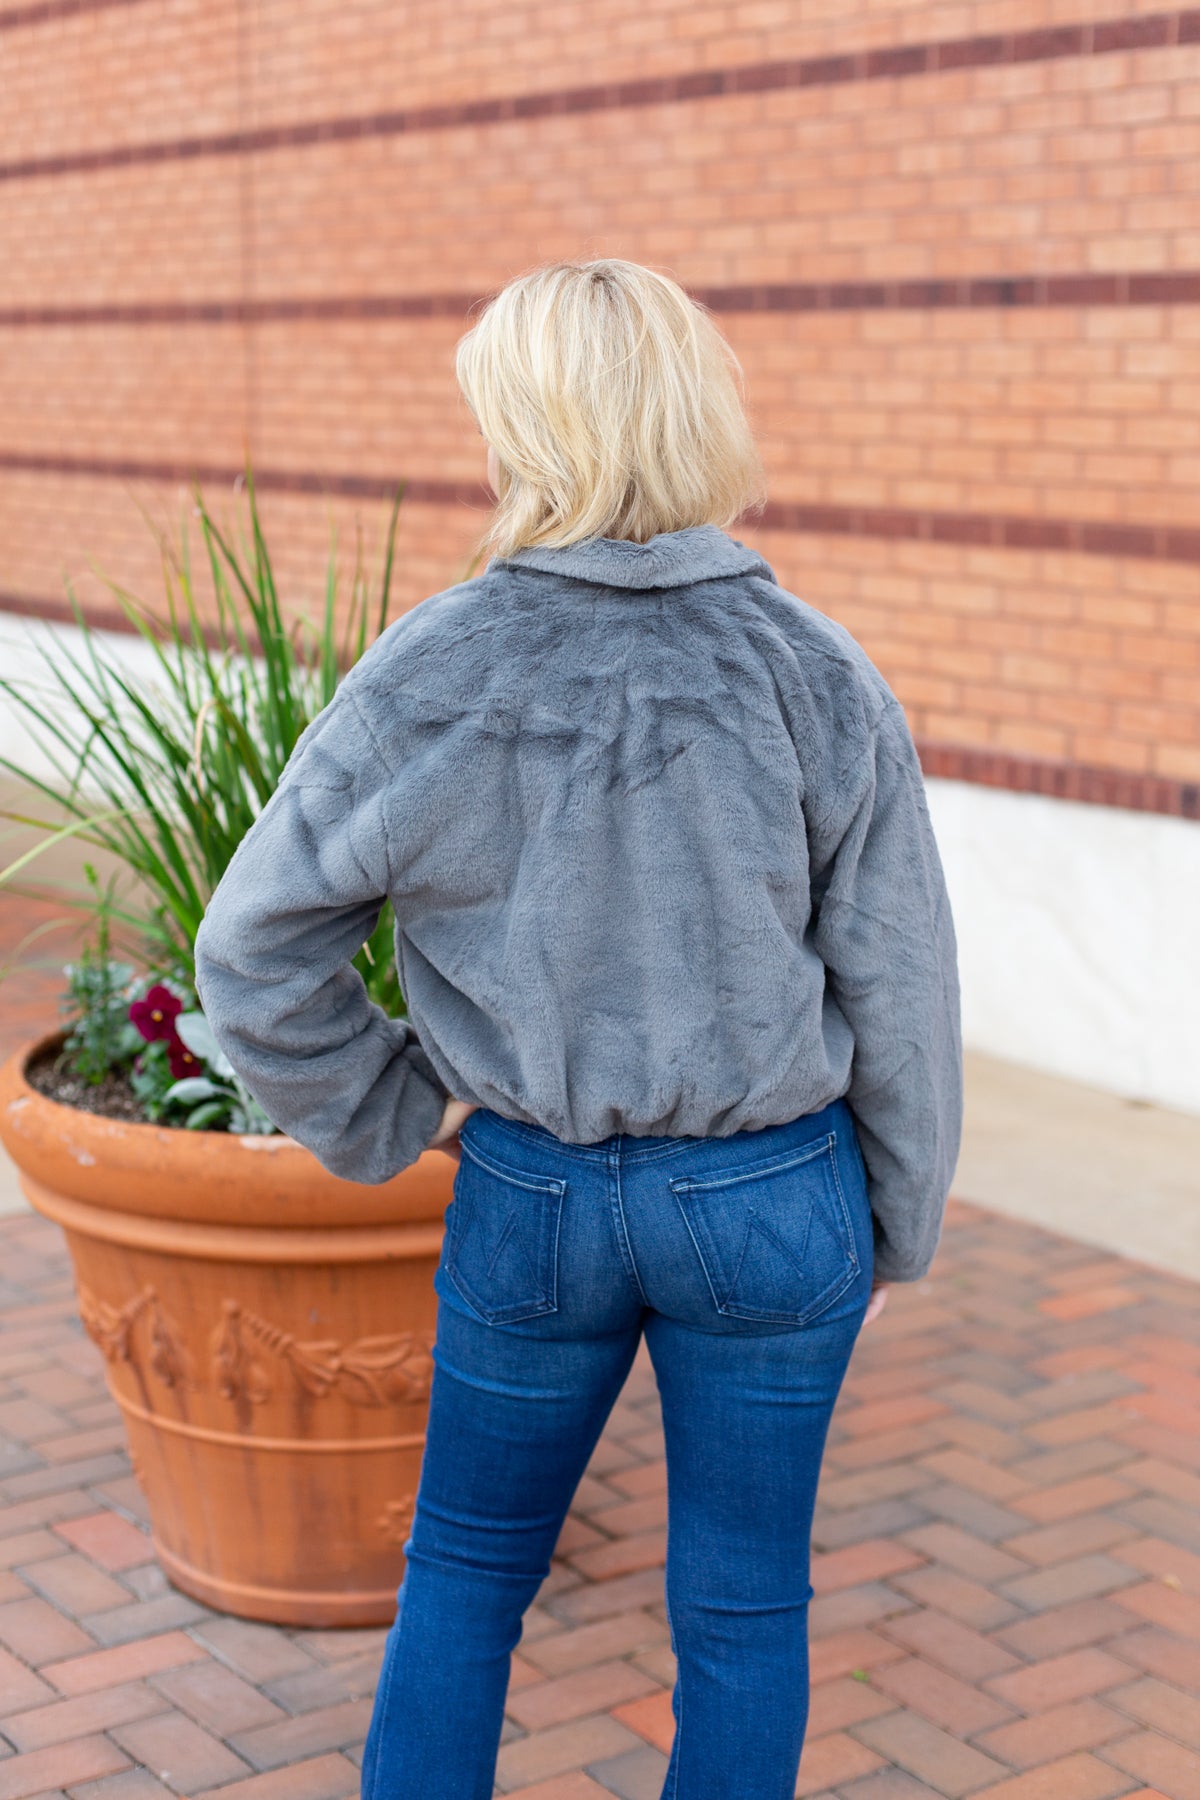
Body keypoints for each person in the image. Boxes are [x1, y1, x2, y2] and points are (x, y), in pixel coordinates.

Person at [193, 257, 962, 1800]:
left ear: (522, 425)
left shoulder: (437, 669)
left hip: (533, 1190)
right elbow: (901, 984)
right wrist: (895, 1226)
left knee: (467, 1582)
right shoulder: (812, 668)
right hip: (768, 1198)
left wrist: (391, 1107)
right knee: (744, 1611)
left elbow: (249, 949)